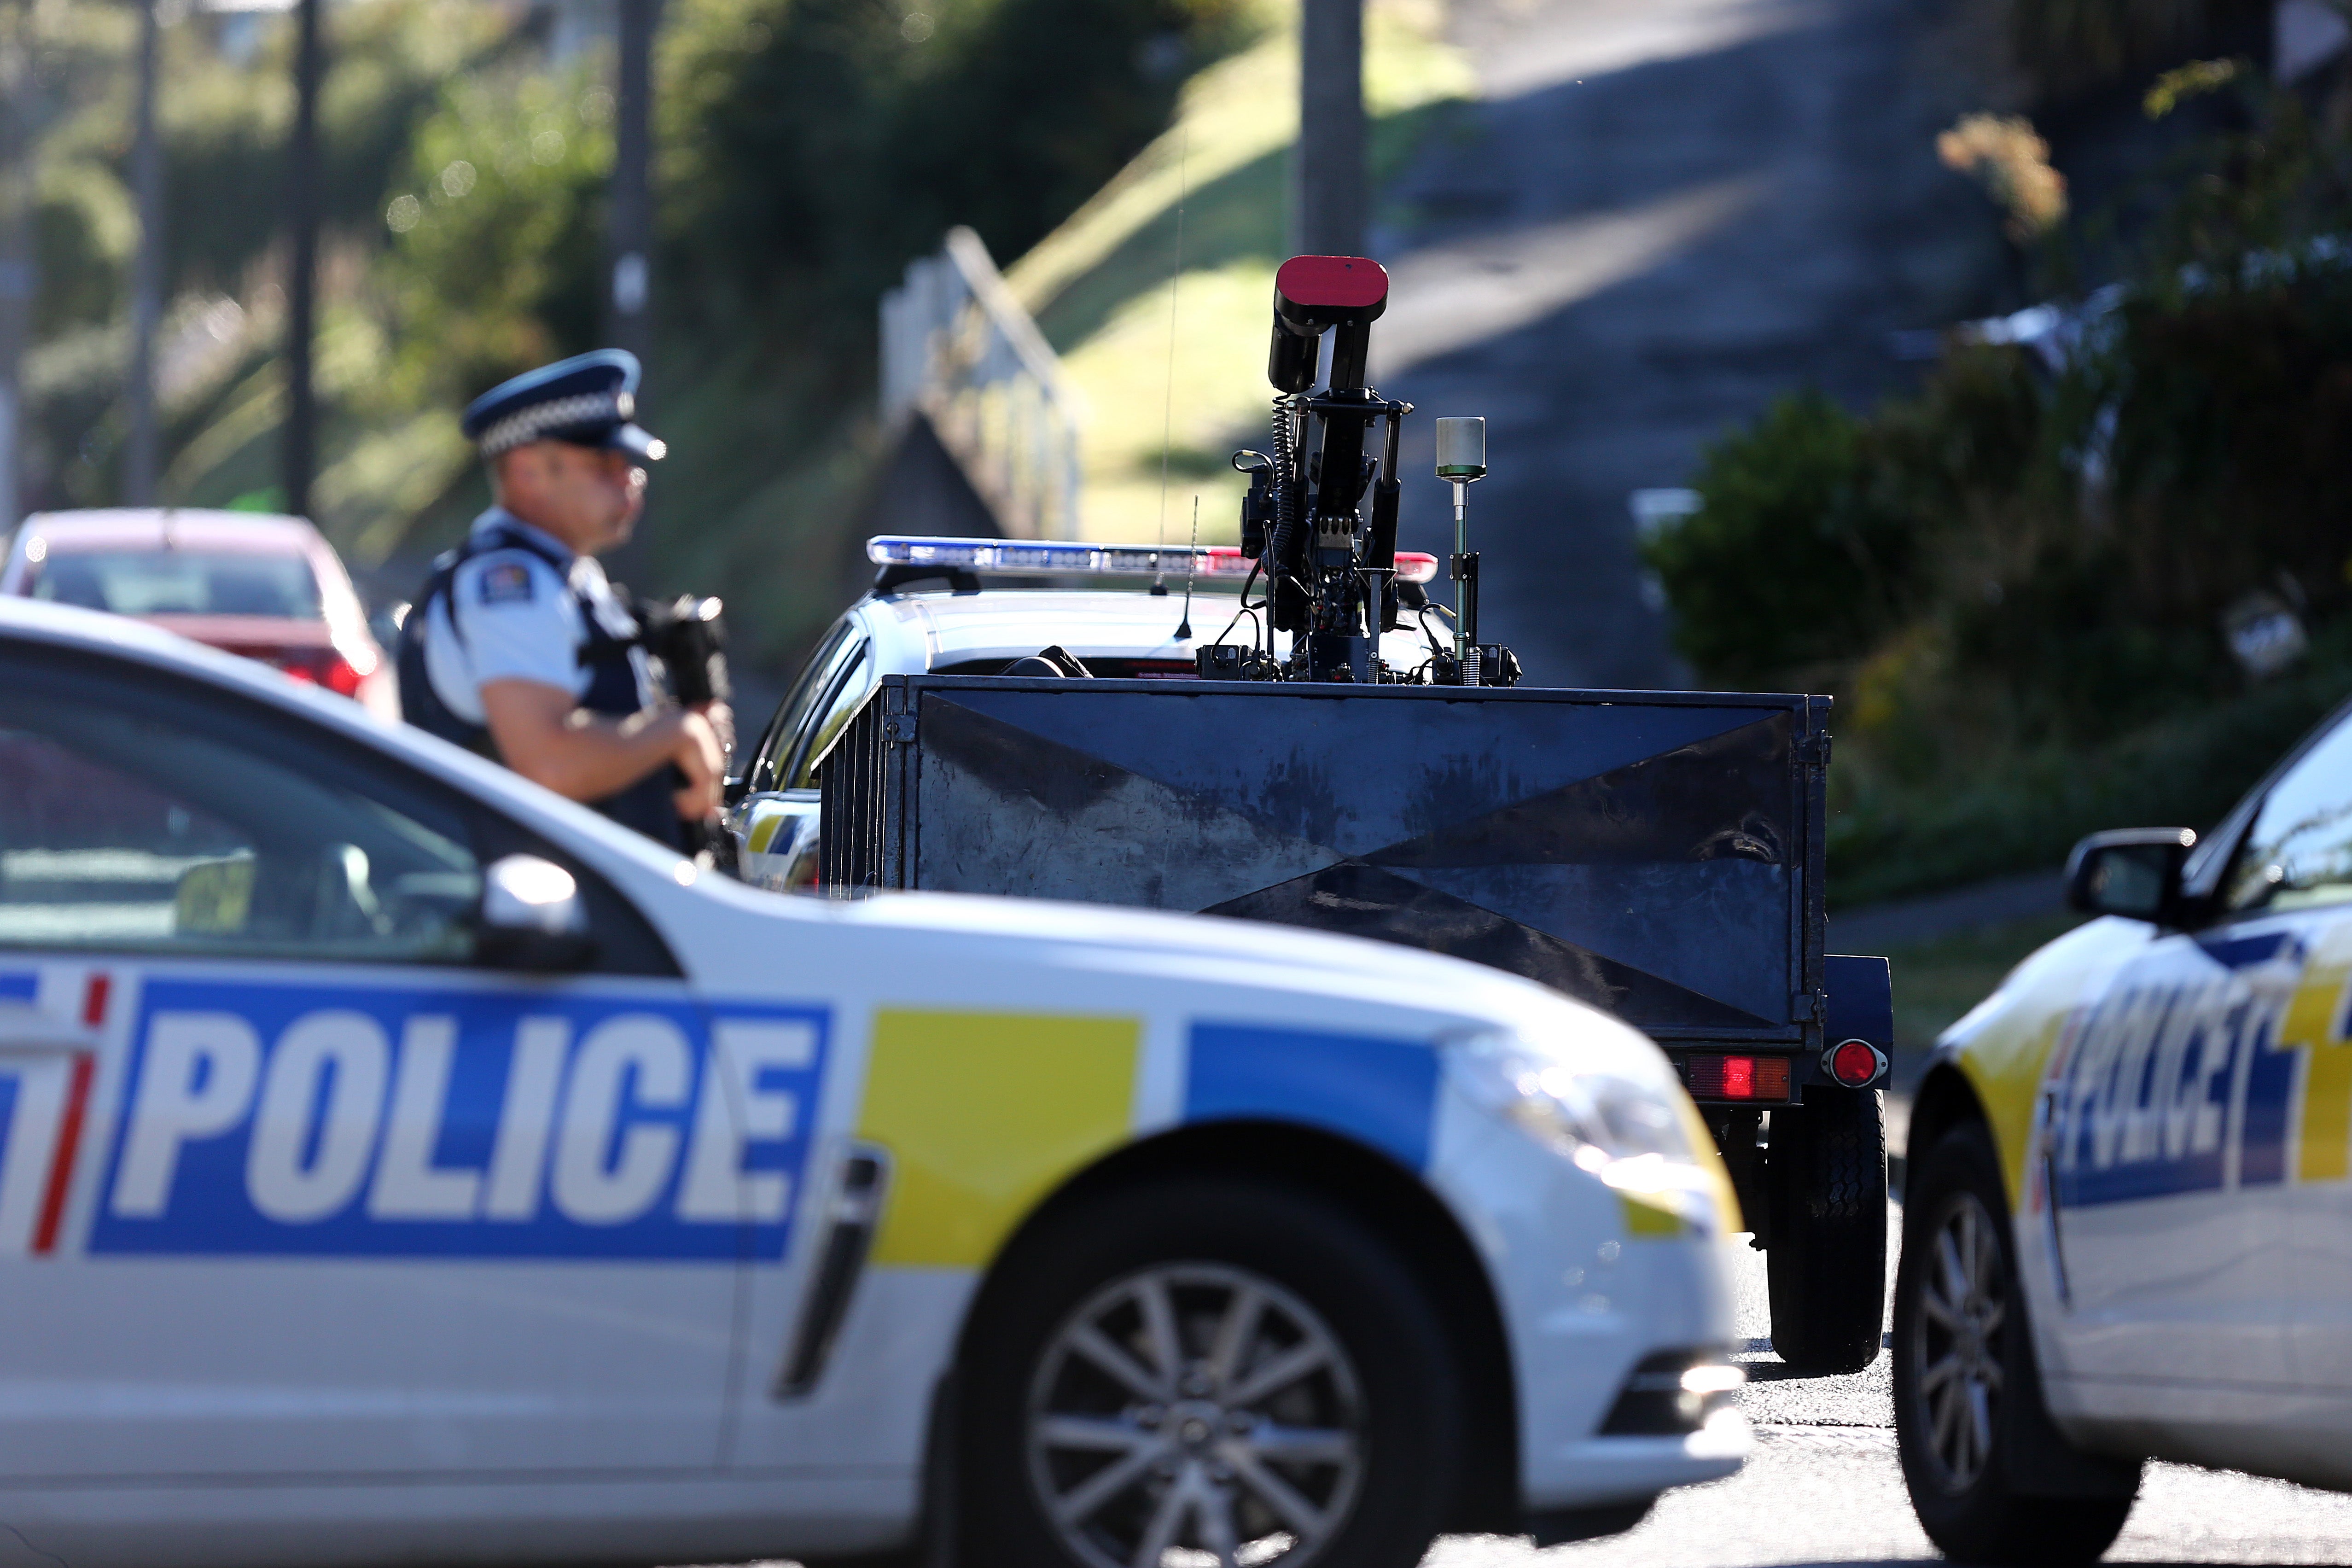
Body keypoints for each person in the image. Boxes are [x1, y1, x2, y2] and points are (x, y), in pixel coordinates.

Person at [397, 350, 728, 853]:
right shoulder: (510, 585)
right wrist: (676, 734)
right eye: (603, 462)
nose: (628, 477)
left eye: (627, 463)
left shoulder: (564, 573)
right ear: (527, 471)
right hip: (533, 912)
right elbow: (548, 763)